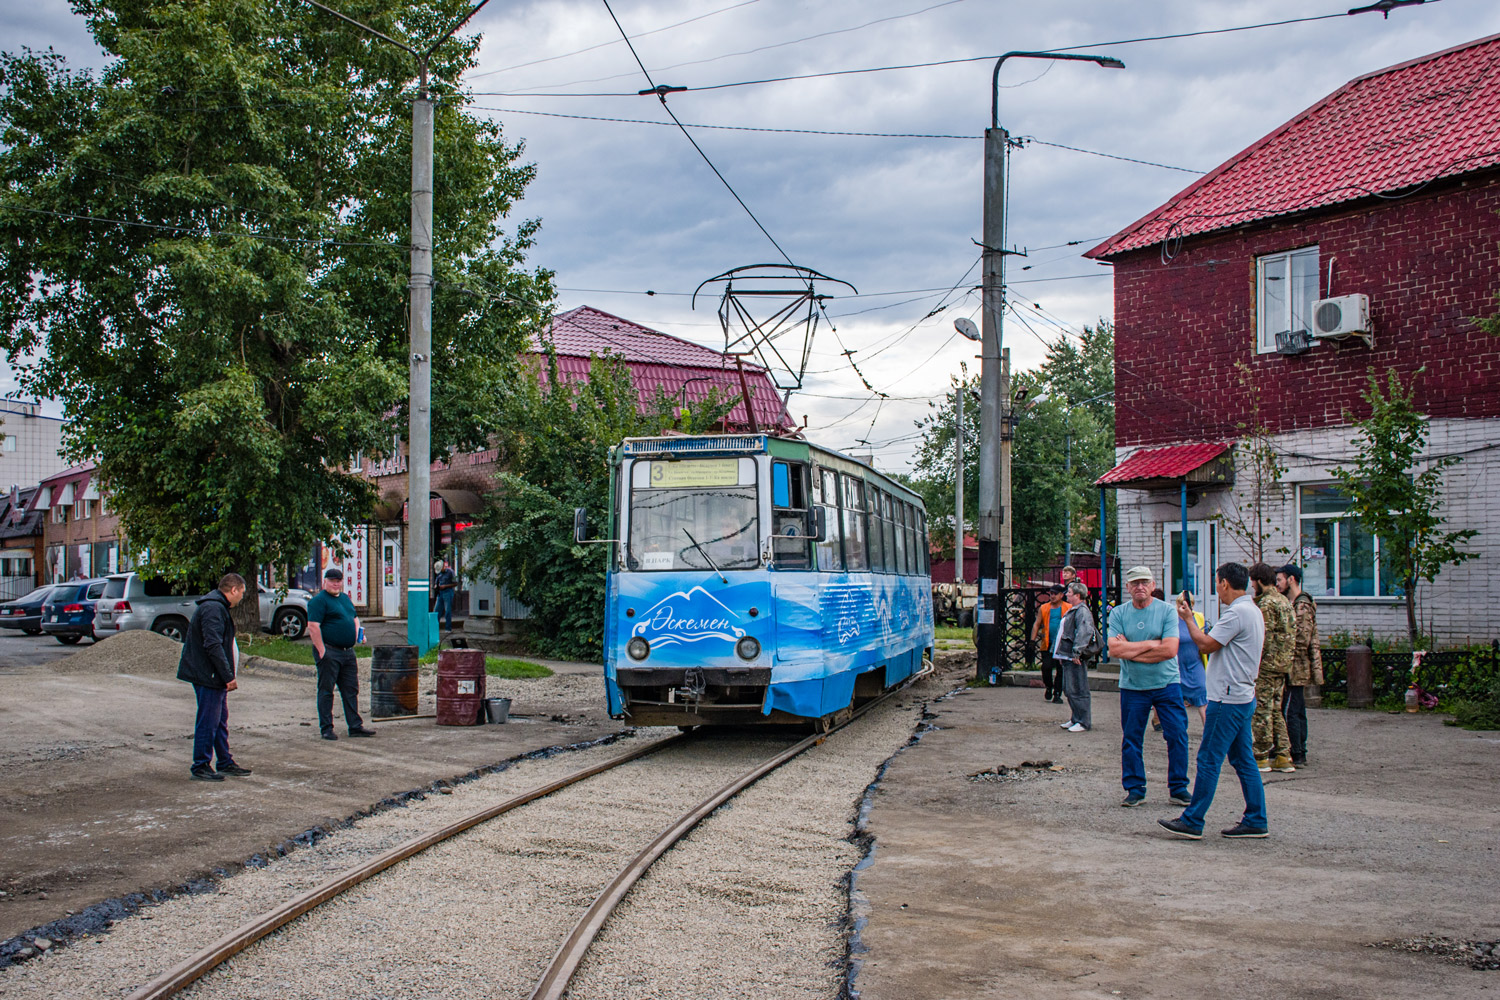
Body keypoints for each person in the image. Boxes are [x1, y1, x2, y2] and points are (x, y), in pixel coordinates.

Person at [1159, 562, 1268, 840]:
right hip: (1242, 695)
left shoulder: (1236, 613)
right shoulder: (1252, 610)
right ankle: (1256, 818)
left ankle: (1193, 820)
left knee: (1209, 758)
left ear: (1224, 584)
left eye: (1217, 583)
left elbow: (1206, 644)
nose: (1216, 589)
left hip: (1226, 698)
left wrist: (1187, 619)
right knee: (1244, 760)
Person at [1107, 566, 1188, 809]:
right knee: (1132, 738)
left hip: (1167, 683)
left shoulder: (1166, 611)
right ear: (1128, 587)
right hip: (1133, 686)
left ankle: (1179, 787)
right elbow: (1114, 650)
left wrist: (1131, 650)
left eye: (1144, 582)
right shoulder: (1118, 613)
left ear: (1153, 585)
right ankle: (1135, 788)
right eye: (1135, 583)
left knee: (1177, 735)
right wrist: (1152, 644)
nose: (1140, 587)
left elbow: (1170, 650)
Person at [176, 573, 252, 782]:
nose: (242, 598)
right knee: (208, 721)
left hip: (211, 674)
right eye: (242, 593)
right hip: (207, 674)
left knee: (219, 720)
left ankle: (225, 762)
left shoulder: (217, 606)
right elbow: (213, 644)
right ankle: (200, 765)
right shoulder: (213, 609)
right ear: (233, 590)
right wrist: (228, 676)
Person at [308, 567, 375, 741]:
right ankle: (326, 728)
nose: (336, 584)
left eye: (338, 581)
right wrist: (322, 651)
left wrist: (359, 635)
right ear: (325, 582)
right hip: (330, 651)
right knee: (326, 690)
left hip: (348, 652)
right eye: (332, 581)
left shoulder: (345, 599)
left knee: (351, 689)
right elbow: (313, 626)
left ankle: (355, 726)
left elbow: (354, 618)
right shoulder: (319, 601)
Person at [1249, 562, 1296, 773]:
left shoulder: (1266, 604)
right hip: (1283, 663)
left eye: (1252, 582)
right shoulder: (1284, 600)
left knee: (1262, 710)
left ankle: (1261, 754)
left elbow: (1262, 636)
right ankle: (1283, 754)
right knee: (1276, 709)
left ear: (1258, 581)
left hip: (1267, 664)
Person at [1277, 564, 1322, 767]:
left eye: (1280, 580)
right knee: (1296, 708)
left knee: (1291, 710)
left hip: (1296, 665)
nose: (1278, 584)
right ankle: (1298, 750)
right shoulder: (1295, 603)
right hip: (1294, 664)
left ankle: (1297, 752)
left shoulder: (1302, 605)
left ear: (1291, 580)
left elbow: (1301, 638)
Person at [1051, 581, 1095, 733]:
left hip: (1074, 657)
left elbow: (1084, 632)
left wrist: (1077, 652)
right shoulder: (1074, 609)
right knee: (1069, 688)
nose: (1066, 595)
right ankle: (1076, 718)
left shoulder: (1082, 611)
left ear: (1077, 595)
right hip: (1068, 656)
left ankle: (1083, 721)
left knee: (1078, 688)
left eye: (1069, 592)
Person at [1175, 591, 1209, 726]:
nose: (1183, 607)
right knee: (1175, 698)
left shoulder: (1198, 617)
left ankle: (1207, 730)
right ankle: (1174, 727)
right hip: (1177, 665)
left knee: (1202, 693)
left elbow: (1205, 637)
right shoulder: (1172, 619)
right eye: (1180, 604)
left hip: (1195, 663)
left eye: (1188, 604)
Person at [1031, 584, 1067, 703]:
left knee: (1060, 670)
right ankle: (1048, 686)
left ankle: (1057, 694)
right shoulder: (1044, 608)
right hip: (1047, 643)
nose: (1052, 596)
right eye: (1051, 593)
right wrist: (1032, 640)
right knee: (1046, 667)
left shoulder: (1068, 607)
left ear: (1061, 595)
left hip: (1062, 645)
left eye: (1055, 594)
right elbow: (1037, 624)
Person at [434, 559, 457, 632]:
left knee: (448, 610)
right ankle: (435, 627)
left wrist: (445, 586)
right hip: (440, 593)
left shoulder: (450, 572)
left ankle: (448, 628)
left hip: (448, 592)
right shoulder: (439, 574)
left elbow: (455, 583)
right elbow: (436, 581)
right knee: (437, 610)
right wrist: (436, 586)